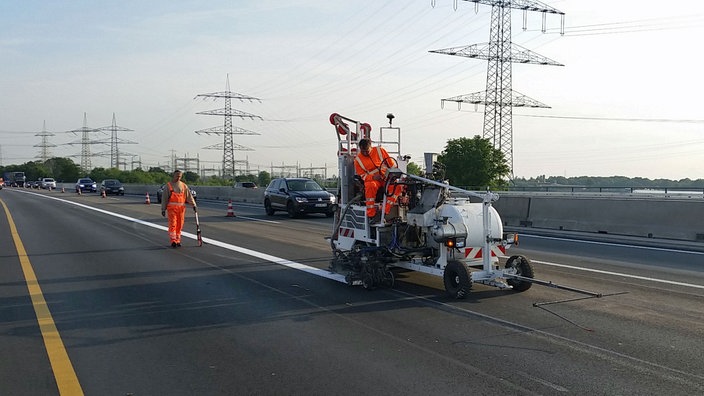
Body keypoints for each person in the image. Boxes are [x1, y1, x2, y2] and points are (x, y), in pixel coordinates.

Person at [354, 138, 402, 219]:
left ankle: (385, 210)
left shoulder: (380, 151)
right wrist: (373, 177)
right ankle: (371, 214)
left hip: (386, 177)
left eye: (367, 151)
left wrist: (393, 174)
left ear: (371, 147)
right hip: (373, 180)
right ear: (360, 149)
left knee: (398, 187)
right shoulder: (357, 160)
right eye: (363, 151)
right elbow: (363, 176)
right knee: (370, 186)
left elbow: (391, 164)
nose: (365, 153)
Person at [161, 170, 197, 247]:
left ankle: (178, 240)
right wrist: (163, 209)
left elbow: (189, 197)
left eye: (180, 176)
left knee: (180, 225)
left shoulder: (184, 186)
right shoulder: (169, 186)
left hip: (181, 209)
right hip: (172, 209)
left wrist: (194, 205)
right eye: (177, 176)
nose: (178, 178)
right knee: (173, 224)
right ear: (173, 176)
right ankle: (173, 240)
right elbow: (164, 198)